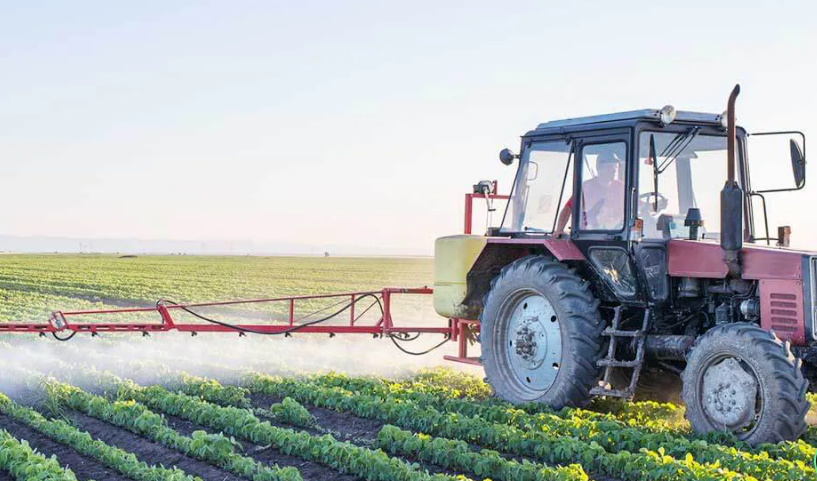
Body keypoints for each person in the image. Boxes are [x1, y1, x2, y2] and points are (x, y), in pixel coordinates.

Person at [554, 149, 625, 236]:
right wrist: (559, 229)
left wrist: (645, 207)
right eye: (610, 167)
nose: (614, 170)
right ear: (599, 168)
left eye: (616, 167)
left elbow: (636, 205)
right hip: (589, 235)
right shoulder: (587, 187)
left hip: (615, 234)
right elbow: (568, 208)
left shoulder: (621, 187)